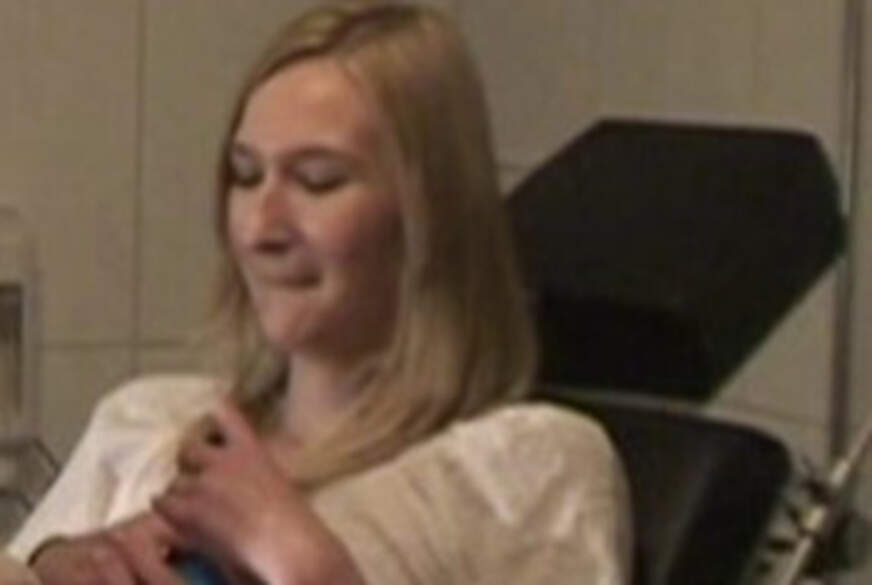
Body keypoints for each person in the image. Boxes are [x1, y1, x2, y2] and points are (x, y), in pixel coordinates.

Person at [3, 1, 632, 584]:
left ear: (430, 215)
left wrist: (298, 558)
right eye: (246, 176)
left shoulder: (521, 473)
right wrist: (46, 565)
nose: (260, 228)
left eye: (317, 181)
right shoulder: (146, 423)